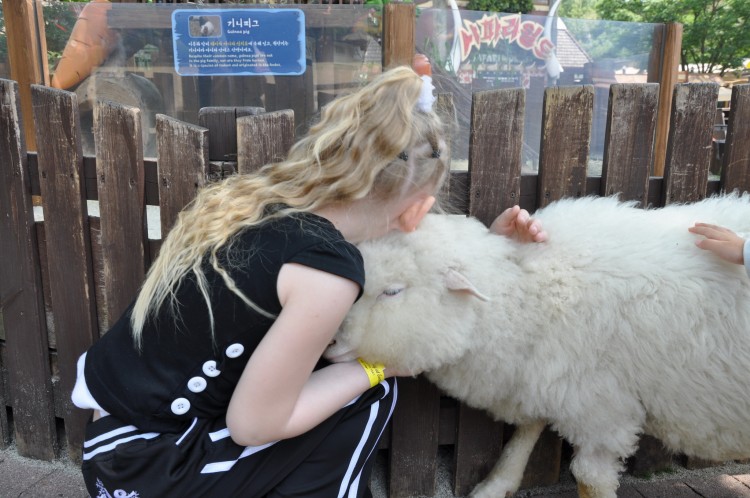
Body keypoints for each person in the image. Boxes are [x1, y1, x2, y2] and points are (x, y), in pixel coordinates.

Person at [71, 66, 545, 498]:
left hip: (112, 442)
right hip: (149, 472)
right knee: (368, 389)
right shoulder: (327, 271)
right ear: (418, 209)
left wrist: (492, 247)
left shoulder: (255, 200)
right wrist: (376, 370)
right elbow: (253, 426)